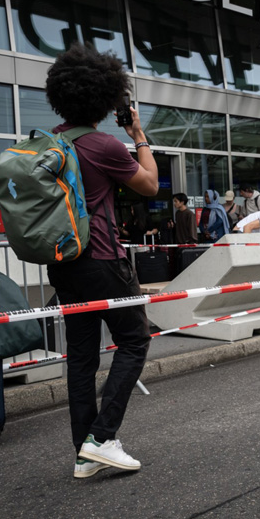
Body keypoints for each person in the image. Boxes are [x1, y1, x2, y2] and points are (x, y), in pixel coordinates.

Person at [44, 42, 159, 478]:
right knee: (135, 339)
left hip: (64, 261)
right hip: (105, 258)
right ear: (106, 97)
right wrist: (138, 137)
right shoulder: (104, 144)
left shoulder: (52, 143)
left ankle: (84, 451)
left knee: (81, 355)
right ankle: (102, 437)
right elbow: (148, 185)